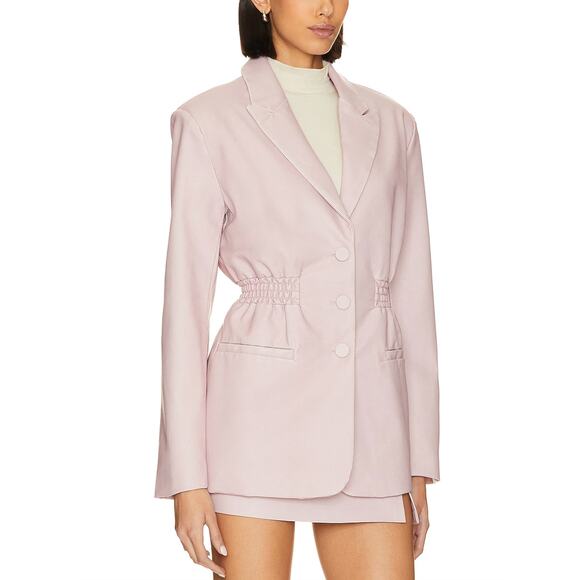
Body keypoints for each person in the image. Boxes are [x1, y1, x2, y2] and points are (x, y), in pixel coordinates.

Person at [154, 1, 441, 578]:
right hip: (252, 424)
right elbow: (184, 305)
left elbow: (413, 293)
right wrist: (187, 476)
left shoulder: (393, 123)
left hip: (372, 425)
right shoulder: (208, 119)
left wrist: (418, 457)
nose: (327, 7)